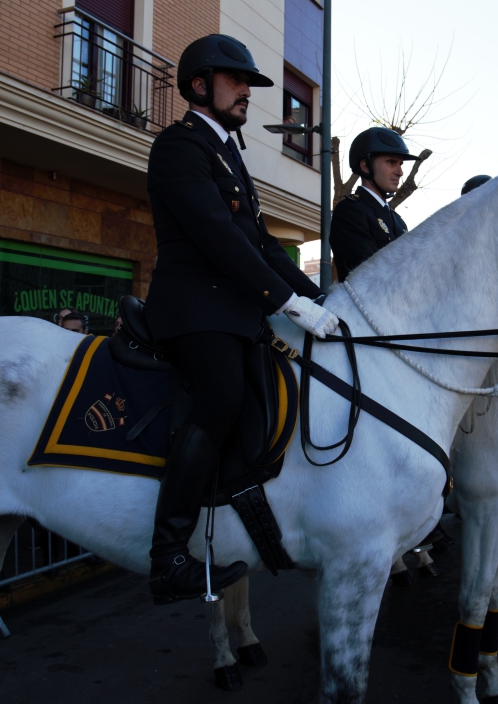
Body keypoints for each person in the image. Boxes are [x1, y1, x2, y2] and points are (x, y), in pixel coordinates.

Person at [143, 34, 333, 604]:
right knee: (221, 396)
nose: (248, 89)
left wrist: (321, 298)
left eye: (248, 80)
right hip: (194, 308)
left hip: (234, 310)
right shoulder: (179, 147)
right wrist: (285, 302)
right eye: (236, 79)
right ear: (200, 85)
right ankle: (169, 555)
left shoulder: (228, 152)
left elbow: (264, 247)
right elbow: (217, 238)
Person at [329, 127, 420, 282]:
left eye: (400, 164)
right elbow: (368, 276)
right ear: (365, 166)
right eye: (391, 162)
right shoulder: (350, 210)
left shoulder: (397, 219)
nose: (400, 172)